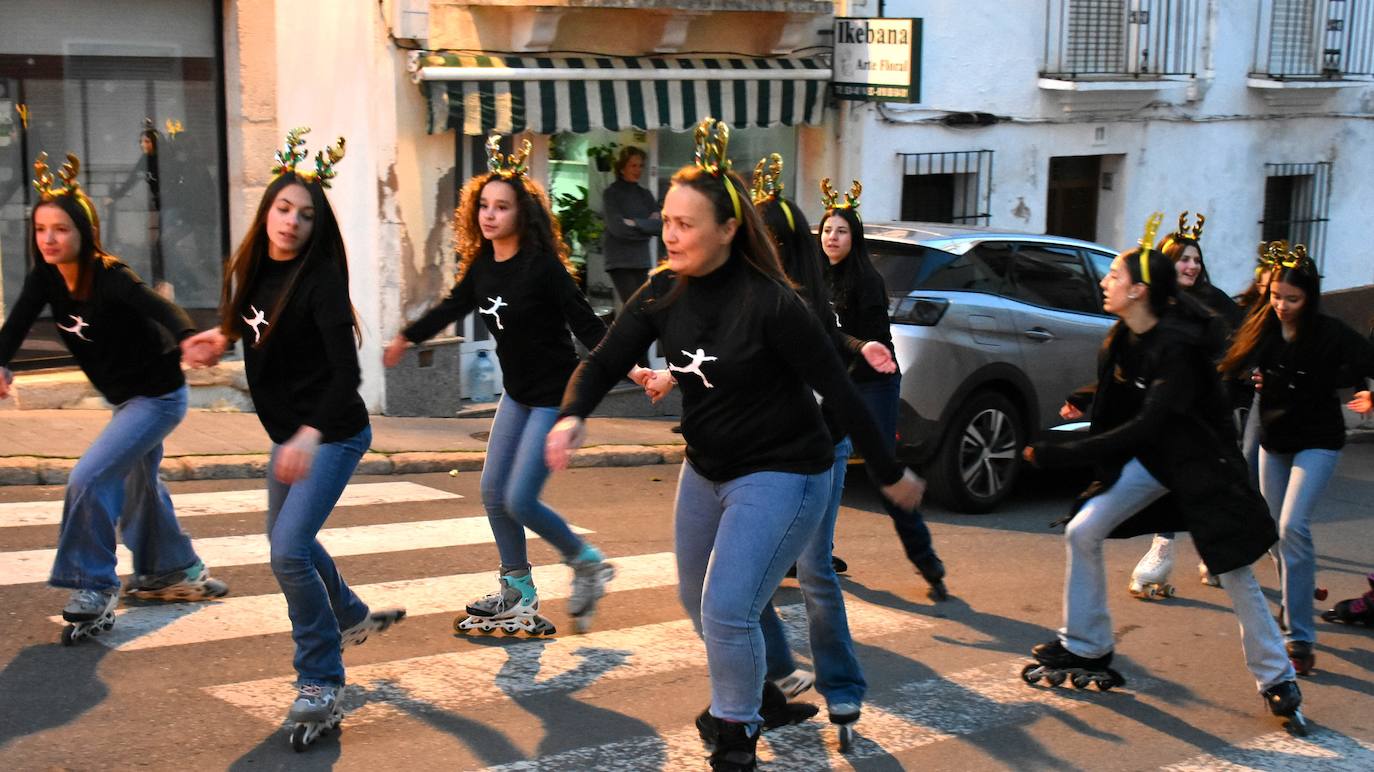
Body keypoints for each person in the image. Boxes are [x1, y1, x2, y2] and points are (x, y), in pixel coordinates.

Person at [546, 119, 925, 771]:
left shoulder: (774, 303)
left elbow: (837, 389)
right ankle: (762, 698)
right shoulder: (664, 287)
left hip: (784, 472)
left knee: (727, 609)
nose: (671, 233)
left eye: (687, 223)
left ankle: (736, 736)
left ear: (727, 230)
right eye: (668, 220)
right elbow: (606, 357)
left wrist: (889, 472)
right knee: (698, 601)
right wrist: (571, 415)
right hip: (707, 467)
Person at [1021, 216, 1307, 735]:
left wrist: (1065, 455)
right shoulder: (1123, 337)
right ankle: (1087, 645)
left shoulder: (1176, 347)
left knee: (1235, 569)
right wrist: (1082, 408)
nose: (1105, 282)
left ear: (1139, 291)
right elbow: (1121, 403)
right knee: (1082, 530)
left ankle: (1277, 679)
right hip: (1156, 463)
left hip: (1203, 468)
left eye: (1113, 275)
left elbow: (1148, 421)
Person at [186, 129, 404, 738]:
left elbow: (347, 374)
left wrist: (309, 434)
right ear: (268, 212)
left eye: (305, 215)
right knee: (294, 546)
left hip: (332, 433)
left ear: (316, 226)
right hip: (291, 435)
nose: (291, 221)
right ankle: (351, 614)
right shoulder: (254, 268)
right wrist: (219, 339)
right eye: (284, 208)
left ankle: (320, 681)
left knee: (286, 551)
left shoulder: (322, 283)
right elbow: (251, 322)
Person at [384, 135, 618, 637]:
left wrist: (633, 367)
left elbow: (588, 325)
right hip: (517, 394)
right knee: (493, 492)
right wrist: (408, 336)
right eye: (484, 206)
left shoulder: (544, 267)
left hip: (554, 395)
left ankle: (588, 561)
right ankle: (518, 590)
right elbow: (451, 306)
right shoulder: (483, 265)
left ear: (522, 214)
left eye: (502, 207)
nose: (490, 215)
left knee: (519, 498)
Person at [0, 151, 228, 644]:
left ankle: (92, 584)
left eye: (60, 228)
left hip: (159, 396)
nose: (49, 239)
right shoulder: (46, 278)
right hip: (128, 399)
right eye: (41, 229)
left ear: (83, 231)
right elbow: (16, 324)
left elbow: (159, 304)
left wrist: (188, 335)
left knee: (90, 475)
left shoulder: (110, 276)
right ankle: (173, 570)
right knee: (137, 485)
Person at [749, 155, 898, 749]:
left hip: (817, 445)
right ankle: (780, 674)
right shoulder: (746, 290)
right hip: (761, 450)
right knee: (740, 577)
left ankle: (840, 688)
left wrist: (861, 348)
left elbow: (825, 341)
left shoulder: (808, 294)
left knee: (813, 569)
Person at [1216, 242, 1374, 675]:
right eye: (1276, 296)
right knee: (1274, 531)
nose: (1282, 306)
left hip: (1319, 440)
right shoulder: (1262, 328)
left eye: (1292, 299)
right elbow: (1227, 371)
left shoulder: (1331, 333)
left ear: (1311, 297)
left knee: (1292, 526)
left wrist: (1369, 393)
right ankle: (1296, 601)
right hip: (1275, 439)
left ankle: (1299, 640)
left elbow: (1369, 361)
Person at [818, 179, 949, 601]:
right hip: (841, 384)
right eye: (826, 231)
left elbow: (865, 341)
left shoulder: (867, 281)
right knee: (810, 463)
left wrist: (847, 366)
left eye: (840, 231)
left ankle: (927, 560)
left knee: (882, 472)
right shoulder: (818, 280)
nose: (832, 238)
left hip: (874, 383)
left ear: (854, 237)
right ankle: (810, 552)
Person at [1125, 212, 1243, 597]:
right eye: (1183, 259)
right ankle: (1162, 551)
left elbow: (1242, 344)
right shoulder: (1154, 303)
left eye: (1196, 259)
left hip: (1208, 409)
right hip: (1166, 408)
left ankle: (1217, 554)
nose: (1191, 266)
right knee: (1167, 479)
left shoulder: (1216, 303)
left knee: (1213, 484)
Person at [601, 145, 661, 310]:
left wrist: (634, 223)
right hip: (619, 260)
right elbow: (617, 229)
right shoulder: (611, 194)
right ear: (622, 168)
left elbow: (659, 226)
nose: (638, 170)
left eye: (640, 165)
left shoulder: (645, 195)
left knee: (645, 307)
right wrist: (645, 227)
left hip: (641, 260)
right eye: (633, 165)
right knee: (634, 308)